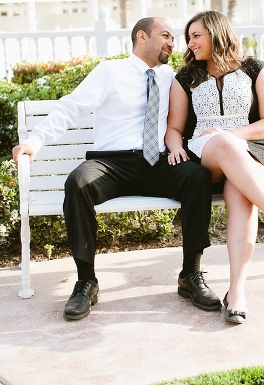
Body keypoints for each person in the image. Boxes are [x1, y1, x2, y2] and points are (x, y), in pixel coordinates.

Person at [12, 17, 220, 321]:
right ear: (141, 37)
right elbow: (71, 107)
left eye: (174, 38)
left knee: (196, 177)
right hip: (112, 164)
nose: (173, 43)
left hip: (158, 163)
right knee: (78, 182)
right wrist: (34, 141)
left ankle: (190, 275)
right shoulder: (110, 71)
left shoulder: (171, 78)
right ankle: (86, 281)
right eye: (166, 35)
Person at [165, 10, 264, 325]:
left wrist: (231, 135)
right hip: (203, 152)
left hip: (252, 149)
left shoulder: (255, 68)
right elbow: (173, 128)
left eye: (196, 35)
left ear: (215, 32)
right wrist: (176, 147)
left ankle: (236, 293)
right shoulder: (185, 77)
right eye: (189, 38)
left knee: (241, 196)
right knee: (223, 145)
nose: (190, 43)